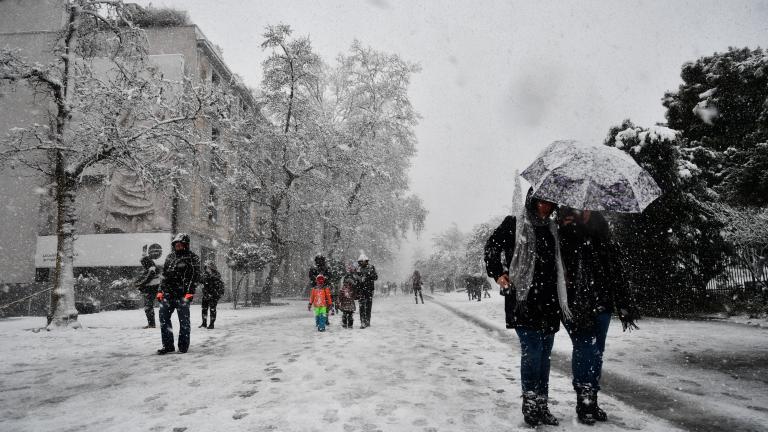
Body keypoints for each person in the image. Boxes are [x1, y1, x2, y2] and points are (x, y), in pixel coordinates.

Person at [484, 188, 571, 427]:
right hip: (524, 300)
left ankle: (542, 404)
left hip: (549, 300)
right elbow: (491, 247)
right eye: (542, 201)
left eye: (550, 202)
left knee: (544, 355)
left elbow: (562, 258)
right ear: (532, 201)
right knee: (532, 351)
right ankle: (530, 403)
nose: (546, 206)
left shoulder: (553, 228)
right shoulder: (514, 224)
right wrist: (498, 273)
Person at [558, 208, 638, 424]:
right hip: (575, 302)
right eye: (580, 205)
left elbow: (615, 269)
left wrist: (623, 303)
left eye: (588, 205)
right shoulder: (563, 229)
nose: (584, 209)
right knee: (585, 347)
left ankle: (592, 399)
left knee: (597, 351)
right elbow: (557, 263)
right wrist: (572, 231)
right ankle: (584, 399)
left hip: (601, 301)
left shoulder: (602, 230)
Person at [157, 233, 200, 355]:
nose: (178, 246)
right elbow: (164, 276)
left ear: (186, 245)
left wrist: (189, 292)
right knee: (164, 319)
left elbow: (194, 276)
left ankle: (183, 346)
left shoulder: (193, 258)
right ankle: (168, 346)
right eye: (176, 244)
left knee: (184, 322)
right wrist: (160, 291)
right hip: (168, 294)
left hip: (183, 295)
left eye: (180, 244)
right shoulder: (170, 257)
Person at [134, 255, 160, 329]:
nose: (143, 265)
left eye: (143, 263)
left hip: (151, 290)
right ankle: (151, 324)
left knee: (148, 307)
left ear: (146, 262)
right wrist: (138, 283)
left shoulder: (152, 269)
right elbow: (144, 278)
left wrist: (138, 284)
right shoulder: (151, 268)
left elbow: (147, 279)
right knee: (148, 307)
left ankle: (151, 324)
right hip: (152, 290)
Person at [354, 253, 378, 328]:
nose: (361, 263)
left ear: (366, 261)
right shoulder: (357, 268)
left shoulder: (371, 267)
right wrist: (358, 280)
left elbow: (375, 277)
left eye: (362, 261)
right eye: (360, 261)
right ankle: (362, 322)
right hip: (361, 290)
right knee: (361, 307)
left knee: (368, 306)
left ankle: (367, 321)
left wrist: (368, 276)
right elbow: (355, 279)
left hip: (369, 290)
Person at [200, 260, 225, 329]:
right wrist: (202, 283)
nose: (207, 268)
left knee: (212, 309)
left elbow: (219, 285)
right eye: (206, 267)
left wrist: (217, 293)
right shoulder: (204, 274)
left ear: (211, 267)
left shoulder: (216, 275)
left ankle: (211, 324)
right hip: (206, 294)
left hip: (214, 295)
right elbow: (201, 281)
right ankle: (204, 323)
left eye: (208, 267)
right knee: (204, 309)